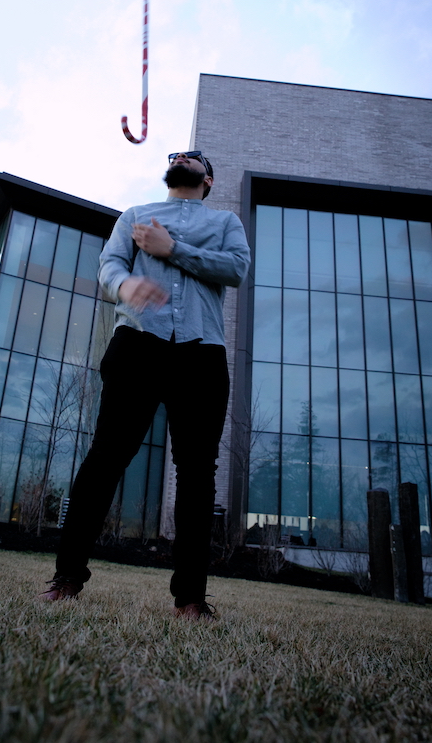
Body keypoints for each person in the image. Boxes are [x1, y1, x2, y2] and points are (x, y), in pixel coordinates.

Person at [40, 150, 251, 619]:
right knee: (104, 458)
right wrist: (125, 286)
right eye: (175, 156)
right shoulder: (134, 216)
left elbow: (235, 270)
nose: (182, 159)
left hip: (201, 352)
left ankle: (191, 600)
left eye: (192, 158)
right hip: (138, 342)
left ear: (208, 179)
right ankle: (67, 577)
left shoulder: (225, 223)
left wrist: (171, 249)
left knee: (198, 476)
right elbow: (108, 266)